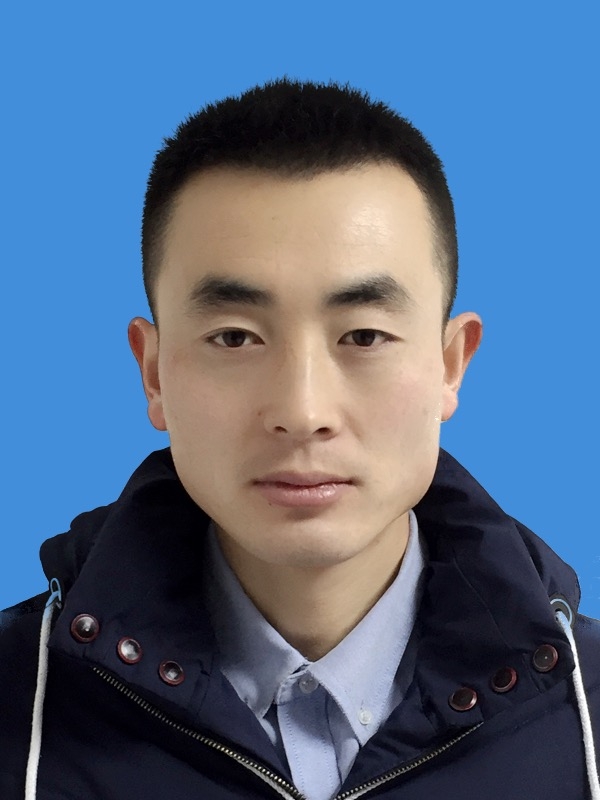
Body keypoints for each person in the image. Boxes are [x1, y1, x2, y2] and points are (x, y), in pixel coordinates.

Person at [1, 79, 599, 800]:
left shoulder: (587, 717)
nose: (302, 410)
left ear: (450, 364)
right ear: (153, 373)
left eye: (364, 336)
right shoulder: (16, 706)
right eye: (235, 337)